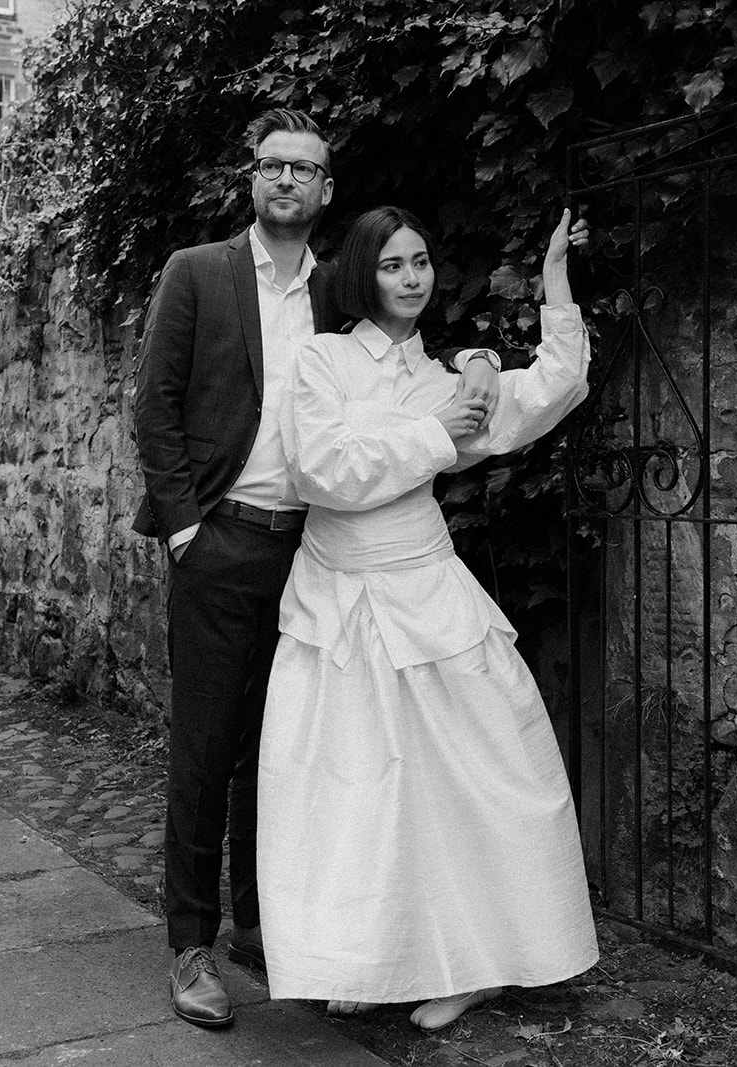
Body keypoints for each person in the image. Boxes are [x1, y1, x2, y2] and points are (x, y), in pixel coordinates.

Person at [132, 110, 501, 1029]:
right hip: (223, 541)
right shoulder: (199, 272)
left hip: (319, 549)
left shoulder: (343, 287)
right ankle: (190, 945)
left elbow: (413, 356)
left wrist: (485, 357)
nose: (286, 180)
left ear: (327, 190)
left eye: (305, 169)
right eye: (270, 166)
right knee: (207, 746)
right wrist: (186, 533)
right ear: (252, 180)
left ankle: (271, 925)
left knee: (289, 747)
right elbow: (155, 410)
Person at [257, 205, 600, 1031]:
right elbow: (321, 470)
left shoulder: (449, 377)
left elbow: (548, 391)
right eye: (392, 265)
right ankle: (368, 961)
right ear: (361, 275)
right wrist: (433, 433)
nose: (412, 278)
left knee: (480, 774)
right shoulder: (322, 359)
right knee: (353, 787)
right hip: (338, 597)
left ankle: (481, 962)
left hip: (425, 589)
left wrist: (554, 280)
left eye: (421, 262)